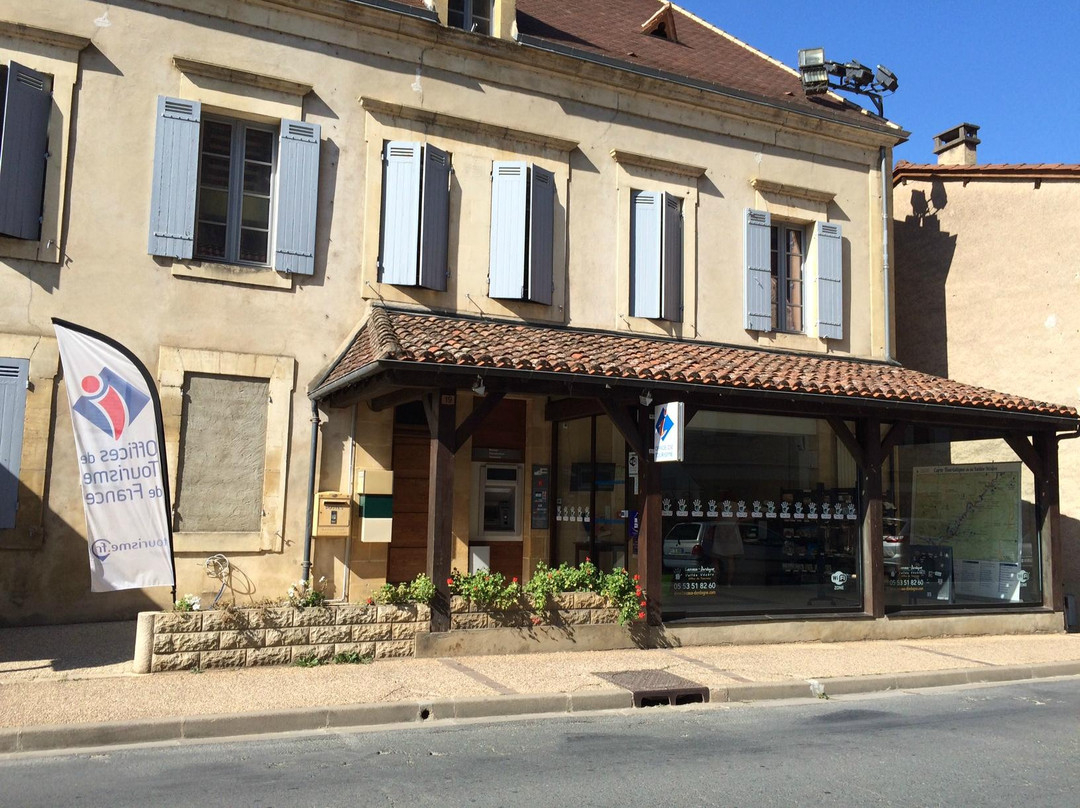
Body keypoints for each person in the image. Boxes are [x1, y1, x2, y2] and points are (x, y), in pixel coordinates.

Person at [705, 521, 743, 586]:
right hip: (730, 530)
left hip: (723, 530)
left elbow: (717, 517)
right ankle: (728, 583)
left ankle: (716, 582)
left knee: (717, 560)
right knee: (730, 560)